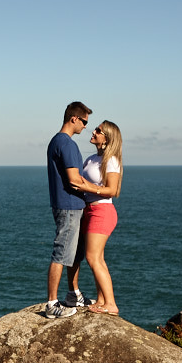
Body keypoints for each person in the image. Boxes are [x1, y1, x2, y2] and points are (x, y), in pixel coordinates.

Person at [69, 120, 124, 315]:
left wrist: (87, 187)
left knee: (93, 257)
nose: (93, 131)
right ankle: (102, 299)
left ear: (107, 137)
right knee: (97, 258)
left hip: (102, 211)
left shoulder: (112, 160)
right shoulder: (91, 158)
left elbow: (112, 190)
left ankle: (111, 304)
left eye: (98, 130)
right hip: (88, 210)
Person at [45, 102, 92, 318]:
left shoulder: (56, 141)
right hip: (69, 206)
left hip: (68, 205)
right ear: (73, 118)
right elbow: (74, 180)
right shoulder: (67, 144)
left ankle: (73, 294)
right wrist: (100, 189)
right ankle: (52, 304)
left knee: (74, 254)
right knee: (62, 252)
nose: (85, 127)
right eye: (84, 121)